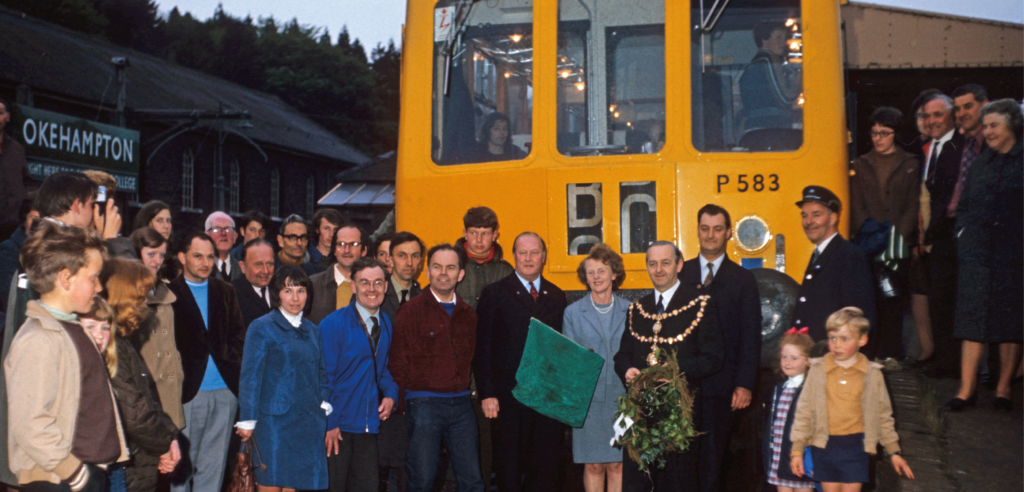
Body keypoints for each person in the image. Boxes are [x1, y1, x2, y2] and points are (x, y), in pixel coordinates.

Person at [5, 221, 129, 492]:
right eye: (93, 277)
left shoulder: (72, 329)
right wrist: (73, 472)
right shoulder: (39, 339)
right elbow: (31, 423)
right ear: (65, 278)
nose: (99, 287)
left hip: (83, 473)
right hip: (57, 479)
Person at [614, 241, 723, 492]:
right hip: (640, 416)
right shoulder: (637, 309)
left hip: (681, 418)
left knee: (678, 482)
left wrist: (674, 372)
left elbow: (714, 357)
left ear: (679, 264)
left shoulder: (701, 303)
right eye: (653, 264)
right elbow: (622, 356)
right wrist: (627, 370)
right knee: (638, 482)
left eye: (665, 263)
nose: (659, 270)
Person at [946, 99, 1024, 413]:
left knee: (1010, 323)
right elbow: (964, 205)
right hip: (977, 254)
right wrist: (963, 237)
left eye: (994, 125)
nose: (987, 131)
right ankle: (966, 391)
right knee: (972, 322)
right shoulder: (981, 162)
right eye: (985, 126)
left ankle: (1003, 389)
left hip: (1014, 255)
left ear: (1012, 126)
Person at [474, 232, 567, 492]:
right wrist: (487, 394)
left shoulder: (557, 297)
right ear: (514, 255)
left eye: (534, 252)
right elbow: (482, 348)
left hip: (547, 401)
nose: (528, 258)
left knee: (546, 471)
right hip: (507, 400)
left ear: (544, 257)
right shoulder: (494, 293)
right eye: (522, 252)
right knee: (508, 471)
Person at [679, 205, 762, 492]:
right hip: (682, 385)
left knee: (713, 461)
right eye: (705, 228)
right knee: (681, 459)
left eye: (717, 229)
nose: (710, 235)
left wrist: (744, 384)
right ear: (698, 230)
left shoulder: (743, 280)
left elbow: (751, 337)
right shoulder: (681, 273)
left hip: (722, 387)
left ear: (728, 233)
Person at [389, 244, 484, 492]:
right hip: (424, 404)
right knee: (422, 479)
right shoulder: (410, 312)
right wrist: (401, 406)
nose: (444, 273)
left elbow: (472, 359)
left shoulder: (468, 315)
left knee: (472, 480)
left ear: (460, 274)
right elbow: (397, 360)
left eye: (450, 267)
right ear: (428, 272)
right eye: (437, 267)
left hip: (462, 405)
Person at [789, 308, 914, 490]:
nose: (837, 345)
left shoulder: (873, 374)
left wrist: (893, 451)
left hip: (857, 447)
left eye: (845, 339)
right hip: (824, 446)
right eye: (832, 338)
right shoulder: (817, 371)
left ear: (862, 340)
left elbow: (883, 415)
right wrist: (797, 450)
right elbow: (804, 411)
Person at [235, 266, 331, 492]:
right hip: (274, 424)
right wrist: (247, 420)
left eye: (301, 290)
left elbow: (321, 372)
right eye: (288, 291)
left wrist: (324, 401)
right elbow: (250, 377)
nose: (295, 298)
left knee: (297, 486)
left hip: (308, 421)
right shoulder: (262, 327)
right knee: (270, 485)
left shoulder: (313, 329)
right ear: (277, 294)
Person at [169, 231, 247, 492]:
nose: (205, 262)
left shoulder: (225, 290)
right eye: (198, 256)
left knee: (213, 470)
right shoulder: (169, 294)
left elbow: (238, 335)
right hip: (188, 393)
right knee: (181, 470)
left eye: (210, 257)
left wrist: (231, 369)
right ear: (182, 257)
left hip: (224, 392)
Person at [96, 260, 182, 492]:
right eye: (140, 295)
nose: (145, 302)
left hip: (134, 461)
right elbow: (133, 413)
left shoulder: (122, 342)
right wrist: (165, 444)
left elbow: (146, 399)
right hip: (121, 467)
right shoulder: (107, 344)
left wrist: (169, 437)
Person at [319, 257, 399, 492]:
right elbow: (322, 378)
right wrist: (330, 422)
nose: (371, 289)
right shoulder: (332, 324)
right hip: (337, 428)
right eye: (364, 283)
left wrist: (391, 394)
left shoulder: (385, 322)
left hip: (367, 427)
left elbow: (380, 369)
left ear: (386, 286)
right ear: (353, 286)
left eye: (377, 282)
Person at [849, 107, 921, 360]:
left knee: (894, 301)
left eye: (884, 133)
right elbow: (857, 205)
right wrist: (870, 234)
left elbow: (913, 204)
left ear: (896, 134)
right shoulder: (860, 164)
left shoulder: (910, 163)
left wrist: (898, 237)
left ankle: (893, 354)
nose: (878, 138)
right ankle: (870, 352)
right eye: (874, 132)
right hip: (868, 243)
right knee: (870, 301)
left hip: (898, 245)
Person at [562, 244, 628, 492]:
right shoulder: (572, 313)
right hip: (588, 402)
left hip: (623, 401)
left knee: (618, 465)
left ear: (614, 274)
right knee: (593, 466)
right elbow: (570, 360)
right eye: (591, 272)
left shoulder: (631, 311)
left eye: (602, 270)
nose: (596, 277)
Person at [918, 93, 965, 376]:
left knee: (951, 304)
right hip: (934, 242)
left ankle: (955, 366)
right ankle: (946, 363)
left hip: (951, 239)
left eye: (938, 115)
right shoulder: (929, 149)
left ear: (950, 116)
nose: (932, 121)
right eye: (927, 116)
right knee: (939, 303)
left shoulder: (961, 148)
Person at [790, 186, 875, 343]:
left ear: (833, 218)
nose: (808, 222)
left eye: (816, 215)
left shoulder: (849, 255)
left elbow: (859, 317)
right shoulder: (823, 253)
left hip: (834, 355)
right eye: (804, 216)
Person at [377, 232, 424, 491]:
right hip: (379, 399)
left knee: (410, 471)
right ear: (389, 260)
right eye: (402, 255)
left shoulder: (426, 298)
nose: (409, 262)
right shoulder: (375, 294)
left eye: (415, 256)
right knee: (377, 471)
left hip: (414, 399)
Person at [130, 227, 186, 430]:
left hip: (170, 386)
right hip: (148, 388)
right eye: (151, 254)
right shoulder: (129, 290)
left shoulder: (163, 286)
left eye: (161, 255)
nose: (157, 261)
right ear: (137, 253)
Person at [763, 330, 815, 492]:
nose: (787, 362)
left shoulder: (810, 389)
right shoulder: (781, 388)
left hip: (799, 456)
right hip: (779, 454)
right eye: (784, 357)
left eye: (794, 358)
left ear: (808, 361)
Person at [739, 22, 802, 130]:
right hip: (770, 127)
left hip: (759, 125)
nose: (784, 41)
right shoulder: (768, 60)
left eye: (785, 37)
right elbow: (786, 99)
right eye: (778, 37)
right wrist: (798, 83)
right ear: (764, 40)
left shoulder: (759, 61)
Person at [455, 206, 514, 310]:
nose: (479, 240)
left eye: (485, 234)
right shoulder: (452, 266)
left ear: (494, 235)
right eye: (473, 233)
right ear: (465, 233)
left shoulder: (505, 271)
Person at [309, 224, 368, 324]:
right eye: (341, 244)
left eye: (353, 244)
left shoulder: (372, 287)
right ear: (334, 250)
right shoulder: (312, 284)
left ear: (364, 251)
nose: (346, 250)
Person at [0, 98, 33, 240]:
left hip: (11, 227)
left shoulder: (16, 149)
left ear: (8, 117)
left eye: (0, 112)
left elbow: (26, 182)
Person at [0, 200, 38, 310]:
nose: (38, 224)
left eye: (42, 219)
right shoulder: (8, 249)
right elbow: (7, 295)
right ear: (25, 220)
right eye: (33, 218)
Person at [232, 238, 276, 329]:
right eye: (258, 264)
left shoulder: (281, 288)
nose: (265, 271)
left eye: (269, 264)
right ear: (243, 267)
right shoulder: (231, 295)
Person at [205, 212, 243, 283]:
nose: (223, 233)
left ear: (235, 237)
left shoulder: (243, 271)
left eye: (228, 229)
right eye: (216, 229)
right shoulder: (198, 269)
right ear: (206, 237)